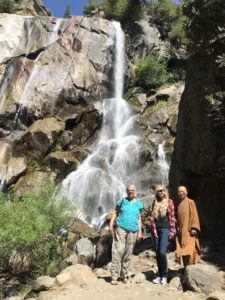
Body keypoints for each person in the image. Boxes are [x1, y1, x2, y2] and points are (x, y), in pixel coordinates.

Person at [108, 184, 143, 285]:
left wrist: (140, 232)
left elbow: (139, 217)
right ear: (126, 191)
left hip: (133, 230)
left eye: (132, 190)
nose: (130, 192)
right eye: (129, 190)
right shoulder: (122, 201)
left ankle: (125, 275)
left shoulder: (138, 203)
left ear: (135, 191)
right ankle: (114, 276)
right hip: (121, 229)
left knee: (128, 253)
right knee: (118, 250)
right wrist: (111, 224)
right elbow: (115, 212)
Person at [150, 185, 176, 285]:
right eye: (158, 191)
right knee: (157, 253)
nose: (160, 192)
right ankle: (159, 275)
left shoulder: (169, 202)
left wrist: (172, 231)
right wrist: (153, 231)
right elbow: (152, 218)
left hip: (165, 229)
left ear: (165, 191)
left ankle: (165, 275)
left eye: (162, 190)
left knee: (162, 252)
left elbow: (172, 217)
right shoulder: (154, 202)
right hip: (155, 231)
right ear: (156, 193)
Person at [176, 186, 201, 267]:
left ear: (186, 192)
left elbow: (195, 215)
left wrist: (194, 227)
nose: (181, 193)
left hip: (189, 230)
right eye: (179, 191)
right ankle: (186, 269)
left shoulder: (191, 202)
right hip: (181, 232)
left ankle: (192, 268)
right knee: (183, 249)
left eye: (183, 191)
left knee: (190, 250)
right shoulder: (178, 204)